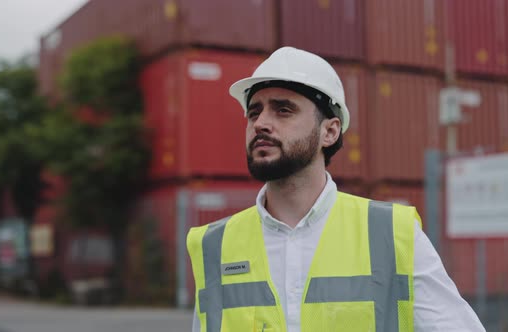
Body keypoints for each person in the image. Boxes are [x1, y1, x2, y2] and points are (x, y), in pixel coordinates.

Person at [187, 47, 485, 332]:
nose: (261, 123)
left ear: (329, 132)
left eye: (283, 110)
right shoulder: (213, 246)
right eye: (254, 113)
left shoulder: (393, 237)